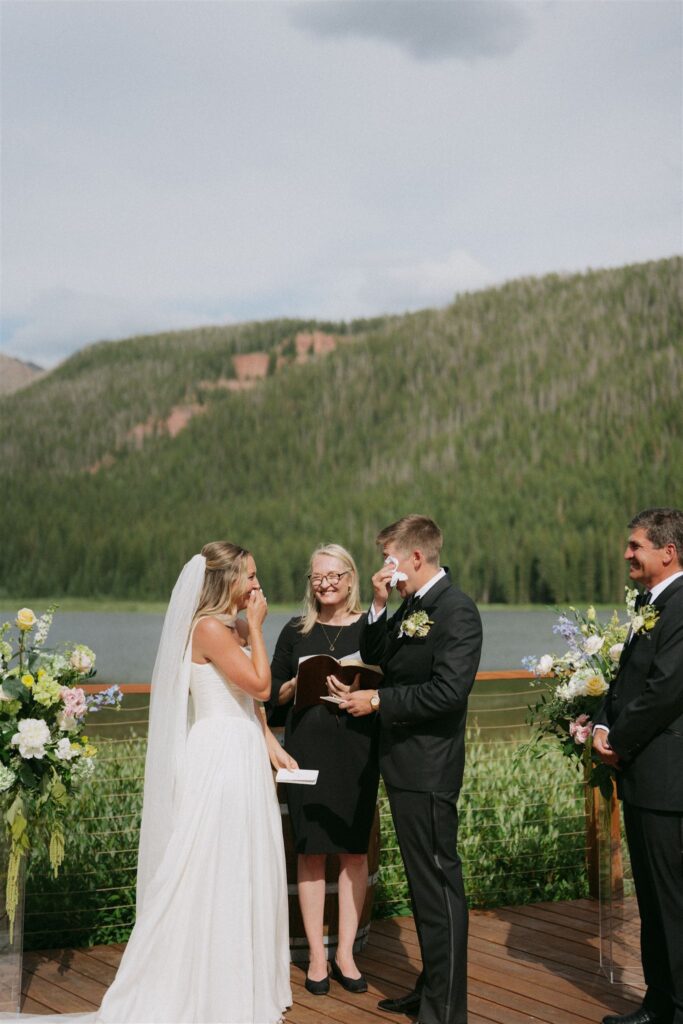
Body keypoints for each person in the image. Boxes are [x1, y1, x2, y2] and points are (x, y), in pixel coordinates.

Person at [6, 542, 296, 1024]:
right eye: (250, 576)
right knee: (212, 860)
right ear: (227, 579)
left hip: (244, 747)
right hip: (220, 754)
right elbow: (261, 685)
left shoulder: (232, 626)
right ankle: (203, 983)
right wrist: (259, 629)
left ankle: (241, 978)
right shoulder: (208, 628)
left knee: (243, 857)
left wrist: (269, 742)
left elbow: (251, 701)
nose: (257, 585)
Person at [342, 514, 482, 1024]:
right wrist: (378, 604)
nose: (385, 568)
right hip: (403, 766)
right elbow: (378, 653)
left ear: (416, 558)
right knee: (425, 888)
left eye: (390, 559)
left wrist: (379, 701)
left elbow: (449, 692)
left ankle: (444, 1011)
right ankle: (430, 988)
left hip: (429, 767)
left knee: (439, 886)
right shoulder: (413, 606)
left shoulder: (456, 610)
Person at [269, 544, 380, 996]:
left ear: (350, 579)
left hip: (357, 752)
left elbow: (388, 680)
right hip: (306, 752)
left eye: (334, 576)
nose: (325, 583)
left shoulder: (370, 628)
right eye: (317, 576)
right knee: (311, 850)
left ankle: (345, 954)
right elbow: (268, 694)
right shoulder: (294, 631)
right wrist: (297, 683)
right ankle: (317, 955)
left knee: (354, 852)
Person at [593, 508, 683, 1024]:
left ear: (667, 552)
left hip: (668, 779)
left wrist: (618, 740)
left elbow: (666, 690)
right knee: (650, 898)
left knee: (671, 900)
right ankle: (658, 1003)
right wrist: (600, 724)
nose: (627, 553)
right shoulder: (650, 604)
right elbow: (627, 680)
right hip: (643, 778)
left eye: (635, 546)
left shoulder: (681, 606)